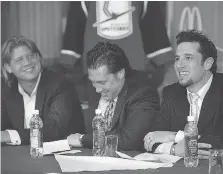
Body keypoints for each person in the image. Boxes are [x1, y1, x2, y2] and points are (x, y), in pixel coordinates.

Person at [144, 29, 223, 159]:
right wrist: (174, 149)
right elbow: (151, 140)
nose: (179, 65)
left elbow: (217, 142)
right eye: (177, 58)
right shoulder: (171, 93)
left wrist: (174, 136)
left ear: (207, 63)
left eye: (188, 58)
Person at [67, 42, 160, 151]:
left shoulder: (143, 93)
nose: (97, 89)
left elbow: (128, 140)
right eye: (93, 82)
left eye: (102, 83)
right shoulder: (96, 84)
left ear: (120, 74)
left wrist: (82, 139)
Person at [1, 36, 85, 145]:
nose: (27, 63)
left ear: (39, 58)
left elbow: (54, 131)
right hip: (22, 154)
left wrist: (9, 135)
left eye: (31, 56)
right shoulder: (5, 88)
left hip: (64, 155)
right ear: (8, 67)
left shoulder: (61, 85)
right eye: (19, 60)